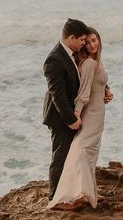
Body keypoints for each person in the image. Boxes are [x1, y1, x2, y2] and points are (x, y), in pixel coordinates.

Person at [48, 27, 112, 210]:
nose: (92, 44)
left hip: (98, 110)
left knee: (91, 151)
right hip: (90, 112)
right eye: (88, 41)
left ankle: (89, 190)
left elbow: (96, 84)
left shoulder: (95, 61)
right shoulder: (89, 63)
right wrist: (76, 114)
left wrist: (107, 91)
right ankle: (65, 195)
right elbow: (83, 93)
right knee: (81, 150)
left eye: (95, 40)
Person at [43, 18, 89, 201]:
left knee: (73, 155)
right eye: (82, 40)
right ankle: (54, 197)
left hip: (70, 114)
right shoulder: (54, 59)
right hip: (59, 117)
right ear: (71, 37)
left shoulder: (71, 54)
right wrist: (71, 120)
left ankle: (70, 191)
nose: (83, 44)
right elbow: (57, 96)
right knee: (60, 156)